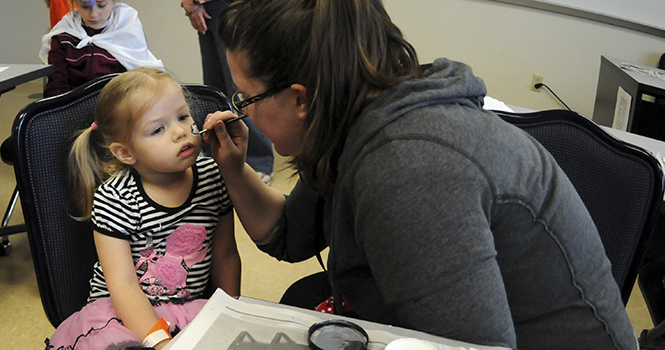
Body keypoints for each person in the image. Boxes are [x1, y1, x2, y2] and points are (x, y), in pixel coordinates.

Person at [201, 0, 638, 349]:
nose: (244, 110)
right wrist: (235, 171)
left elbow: (469, 348)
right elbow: (291, 234)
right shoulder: (350, 112)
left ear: (300, 99)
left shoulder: (410, 172)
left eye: (247, 96)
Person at [45, 68, 240, 350]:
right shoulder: (116, 197)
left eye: (183, 116)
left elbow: (225, 254)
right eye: (158, 129)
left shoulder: (213, 176)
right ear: (126, 153)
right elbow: (123, 286)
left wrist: (230, 314)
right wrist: (158, 342)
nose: (180, 132)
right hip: (122, 314)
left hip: (188, 309)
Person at [180, 0, 275, 185]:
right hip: (207, 8)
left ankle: (259, 163)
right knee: (215, 88)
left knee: (240, 88)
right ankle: (224, 159)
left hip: (227, 4)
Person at [39, 0, 163, 98]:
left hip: (118, 108)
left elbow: (139, 82)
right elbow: (56, 85)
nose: (94, 14)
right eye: (85, 7)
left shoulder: (128, 30)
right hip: (74, 108)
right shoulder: (63, 36)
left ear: (114, 1)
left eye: (102, 5)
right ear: (75, 2)